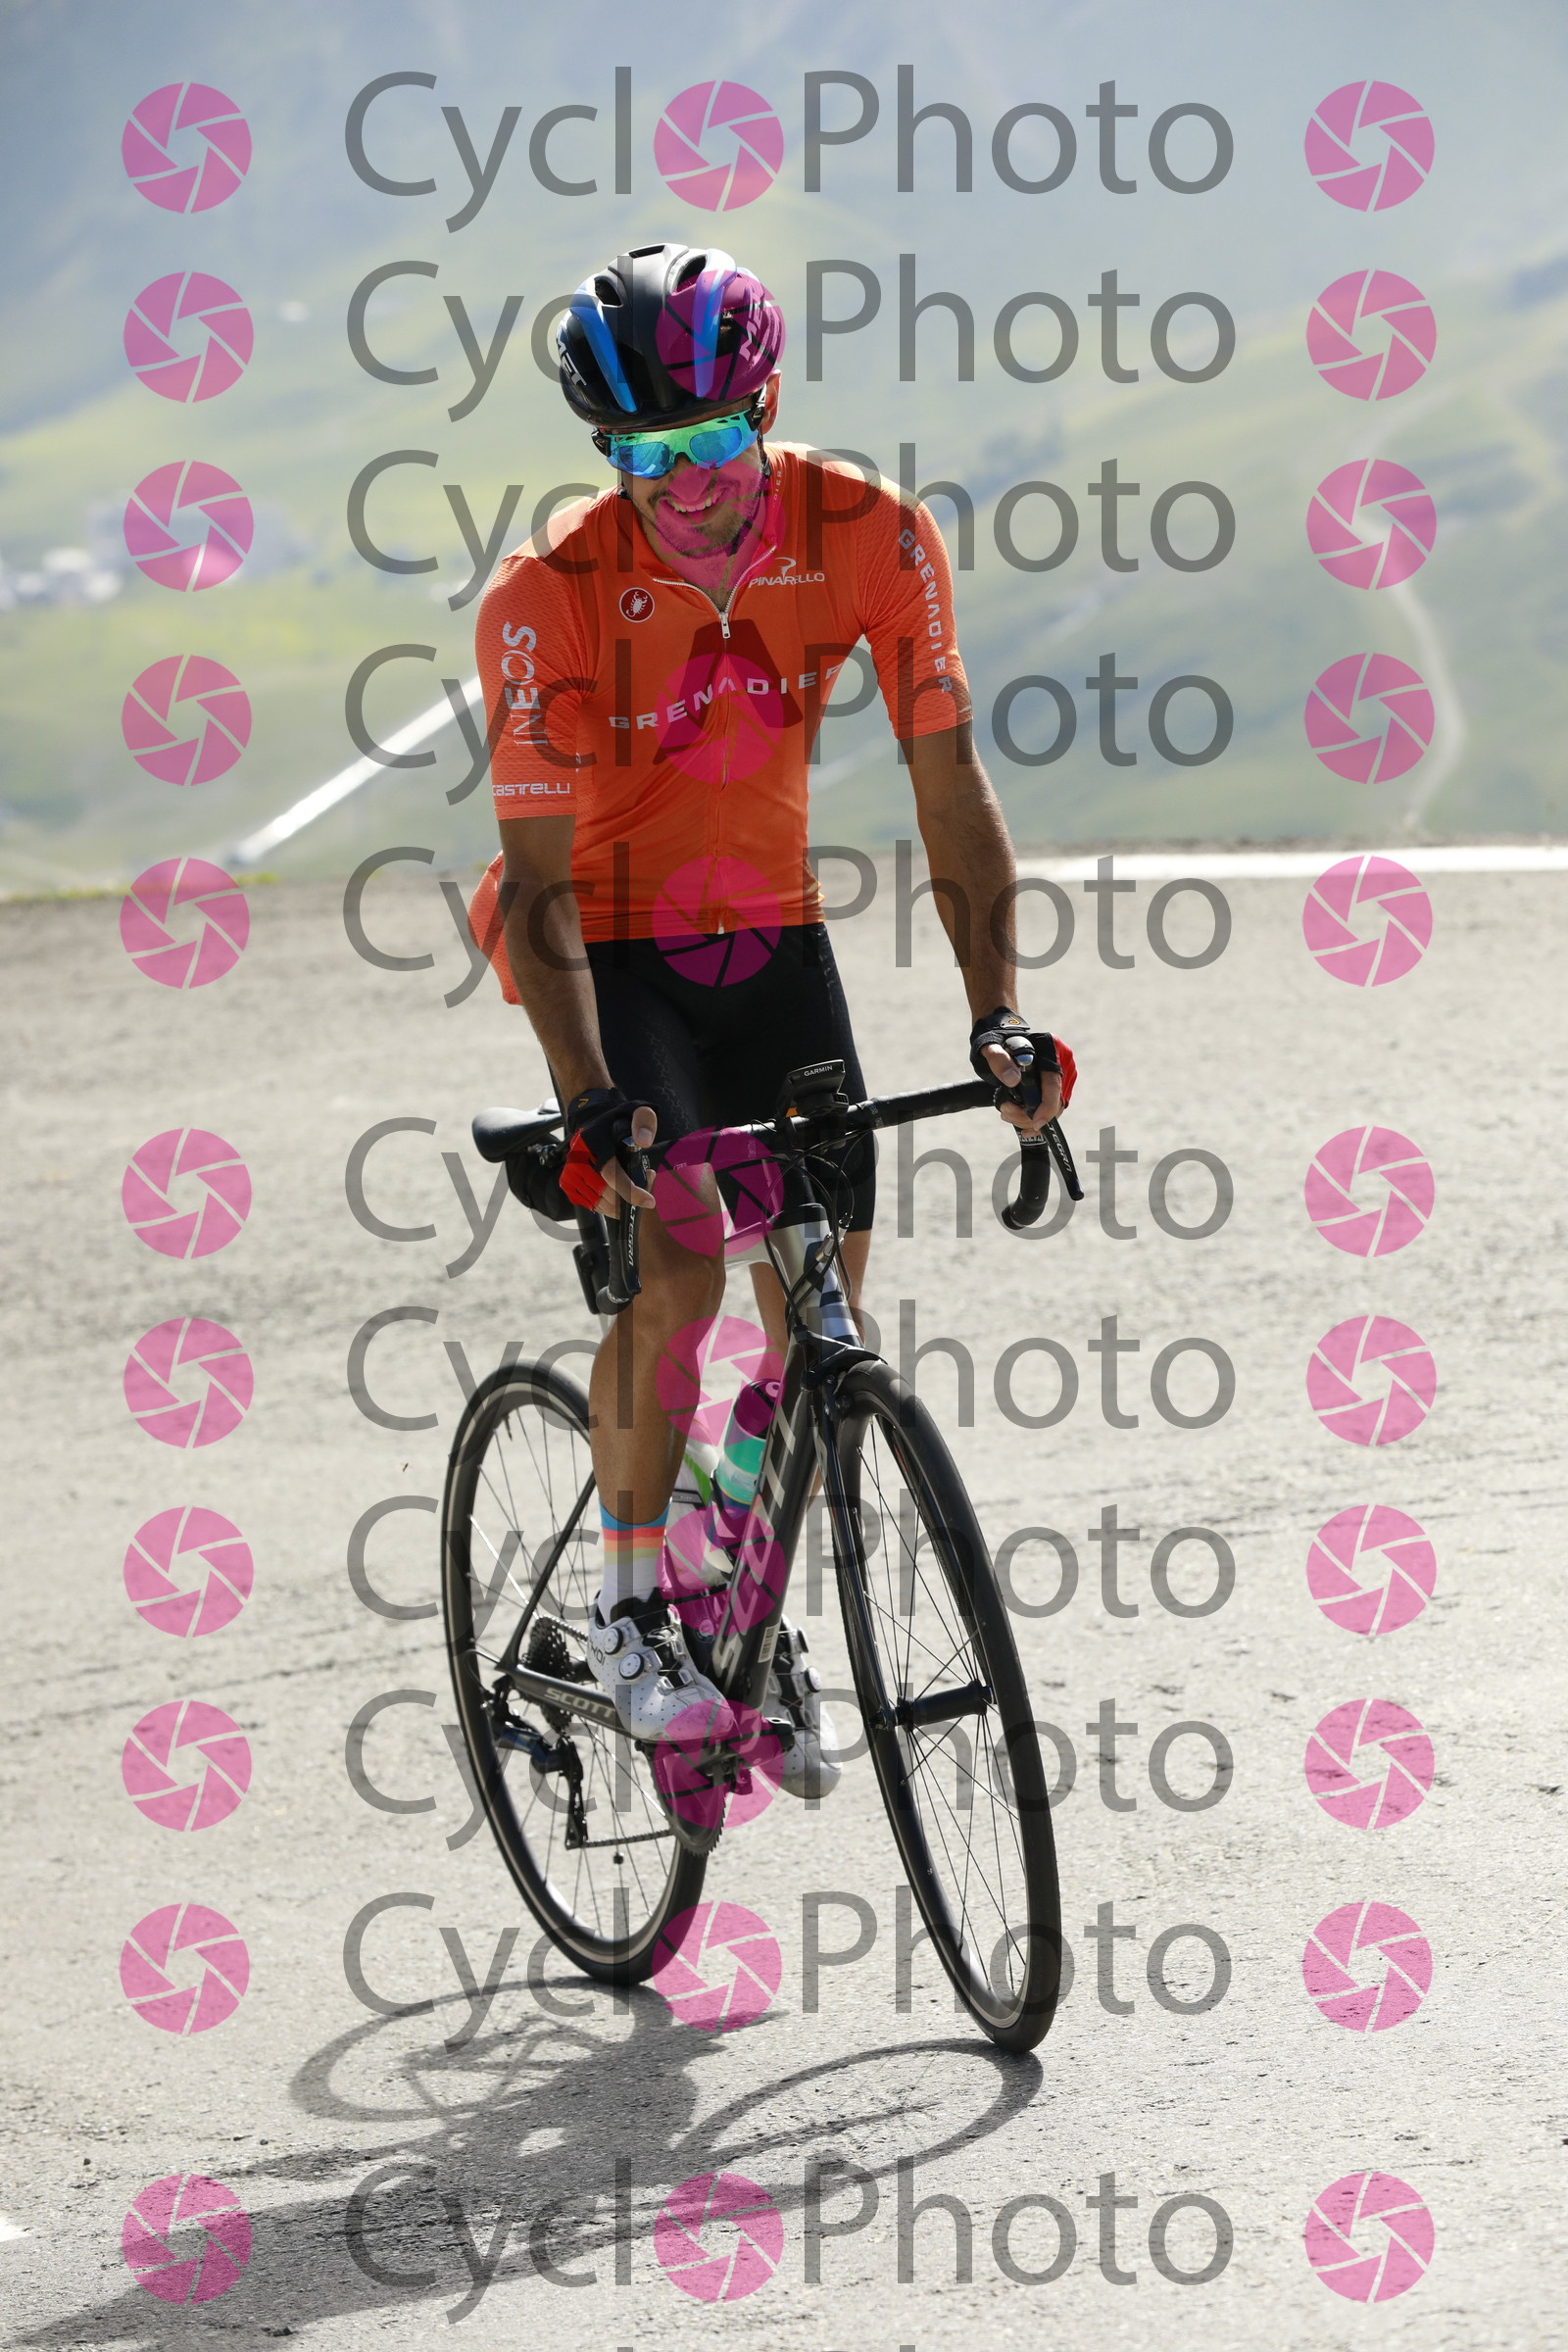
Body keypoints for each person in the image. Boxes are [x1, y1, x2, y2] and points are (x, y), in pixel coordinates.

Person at [468, 242, 1066, 1790]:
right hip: (603, 947)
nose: (684, 484)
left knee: (823, 1294)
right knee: (678, 1265)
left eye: (712, 440)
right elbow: (534, 886)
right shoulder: (547, 596)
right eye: (643, 454)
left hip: (770, 932)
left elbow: (949, 783)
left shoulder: (871, 533)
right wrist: (591, 1097)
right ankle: (626, 1612)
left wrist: (999, 1020)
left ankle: (732, 1563)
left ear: (769, 407)